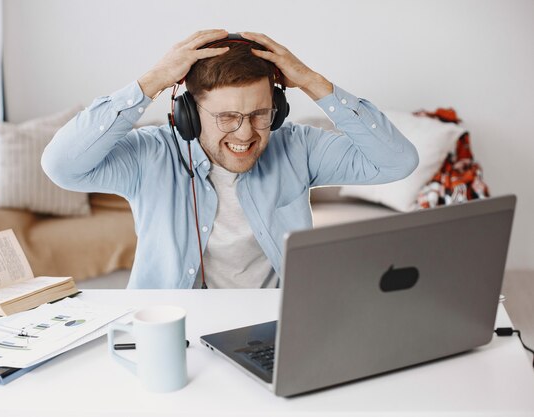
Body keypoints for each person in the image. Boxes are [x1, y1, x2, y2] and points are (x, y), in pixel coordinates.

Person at [42, 29, 419, 289]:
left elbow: (396, 161)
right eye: (226, 118)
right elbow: (62, 165)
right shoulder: (151, 155)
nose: (246, 134)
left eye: (260, 114)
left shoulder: (297, 147)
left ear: (279, 108)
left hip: (275, 323)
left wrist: (310, 80)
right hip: (176, 328)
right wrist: (152, 81)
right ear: (187, 113)